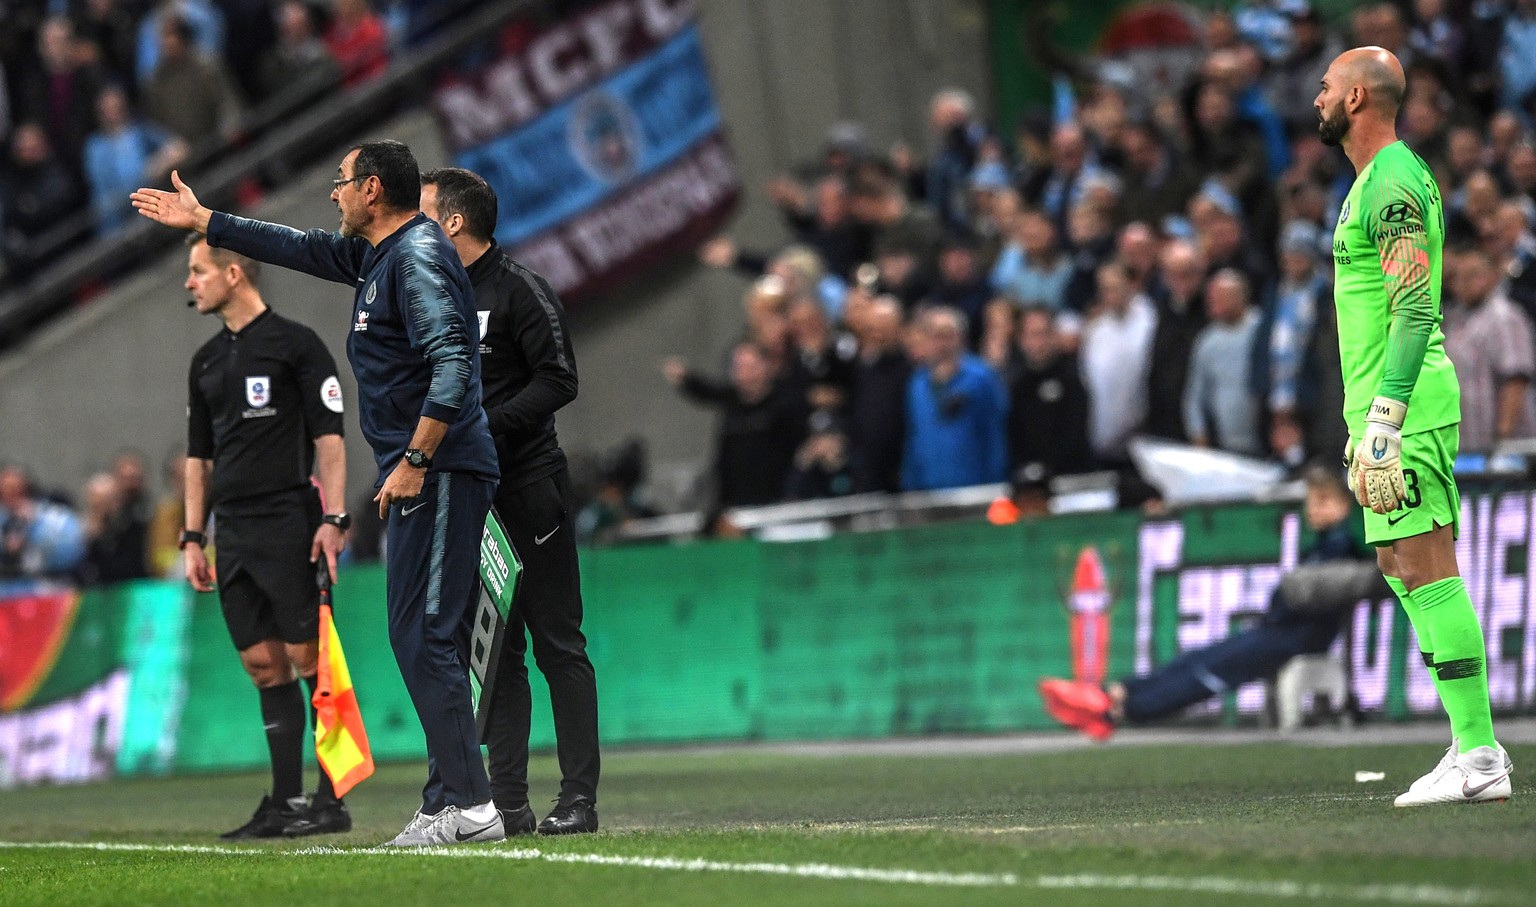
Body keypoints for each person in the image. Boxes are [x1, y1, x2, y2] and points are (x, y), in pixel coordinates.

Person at [132, 141, 507, 844]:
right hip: (419, 467)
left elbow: (454, 365)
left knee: (427, 633)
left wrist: (418, 457)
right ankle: (446, 796)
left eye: (339, 183)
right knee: (417, 634)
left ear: (370, 190)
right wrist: (206, 219)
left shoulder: (418, 257)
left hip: (441, 467)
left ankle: (473, 805)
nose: (330, 194)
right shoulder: (379, 257)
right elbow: (298, 246)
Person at [1315, 46, 1509, 805]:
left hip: (1409, 405)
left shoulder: (1391, 180)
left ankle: (1483, 755)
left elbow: (1416, 303)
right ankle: (1466, 741)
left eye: (1328, 87)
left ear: (1358, 96)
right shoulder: (1377, 180)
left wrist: (1388, 415)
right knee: (1401, 564)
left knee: (1428, 565)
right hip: (1383, 406)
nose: (1320, 98)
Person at [420, 167, 601, 836]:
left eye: (423, 212)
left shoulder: (521, 288)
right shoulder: (433, 293)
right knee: (494, 654)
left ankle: (578, 798)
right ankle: (509, 803)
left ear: (454, 222)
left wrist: (483, 426)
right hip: (472, 499)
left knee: (559, 643)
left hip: (531, 490)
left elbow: (561, 379)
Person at [177, 234, 351, 839]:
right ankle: (283, 802)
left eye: (198, 272)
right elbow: (197, 460)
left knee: (310, 659)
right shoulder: (204, 362)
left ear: (233, 273)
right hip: (235, 532)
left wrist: (334, 517)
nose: (189, 283)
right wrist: (195, 534)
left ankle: (332, 800)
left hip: (290, 521)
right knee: (262, 664)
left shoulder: (297, 346)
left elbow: (330, 438)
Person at [1038, 467, 1380, 738]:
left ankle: (1117, 710)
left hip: (1297, 638)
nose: (1313, 509)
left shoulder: (1343, 546)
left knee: (1209, 670)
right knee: (1198, 658)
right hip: (1277, 631)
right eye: (1311, 501)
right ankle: (1116, 693)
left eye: (1323, 500)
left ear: (1343, 505)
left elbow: (1326, 590)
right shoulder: (1321, 545)